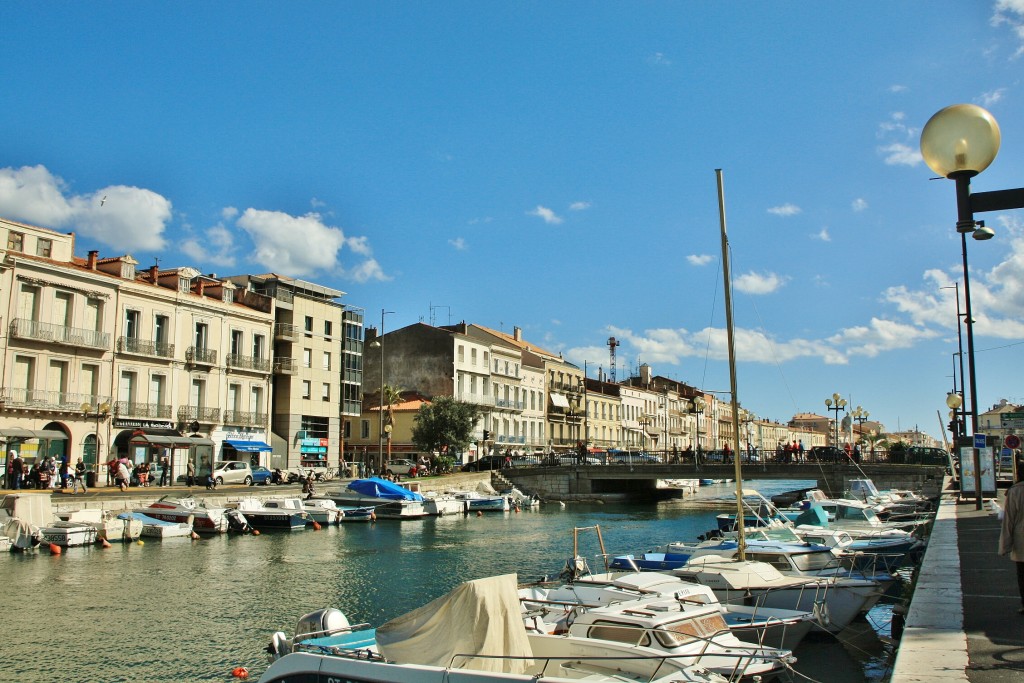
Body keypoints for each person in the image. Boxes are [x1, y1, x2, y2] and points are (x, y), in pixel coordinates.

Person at [999, 469, 1024, 615]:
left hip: (1021, 540)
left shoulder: (1015, 491)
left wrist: (1004, 546)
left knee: (1022, 574)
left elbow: (1008, 521)